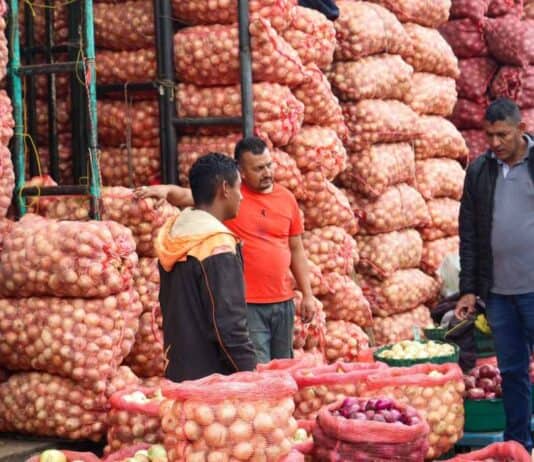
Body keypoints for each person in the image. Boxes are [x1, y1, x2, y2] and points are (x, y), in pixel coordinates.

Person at [139, 136, 317, 364]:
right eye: (258, 168)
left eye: (269, 165)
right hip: (248, 304)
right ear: (241, 171)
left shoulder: (287, 199)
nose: (267, 172)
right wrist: (163, 190)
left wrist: (308, 295)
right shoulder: (230, 198)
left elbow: (296, 249)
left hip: (283, 302)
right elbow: (187, 195)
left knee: (284, 367)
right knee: (259, 370)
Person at [455, 98, 534, 451]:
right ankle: (519, 445)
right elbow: (469, 233)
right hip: (499, 293)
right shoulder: (479, 172)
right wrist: (469, 290)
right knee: (513, 371)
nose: (495, 143)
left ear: (521, 129)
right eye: (489, 136)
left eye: (502, 135)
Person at [153, 153, 257, 382]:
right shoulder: (215, 244)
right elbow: (229, 326)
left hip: (180, 369)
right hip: (213, 381)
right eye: (239, 188)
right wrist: (250, 374)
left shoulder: (177, 232)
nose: (241, 197)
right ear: (225, 189)